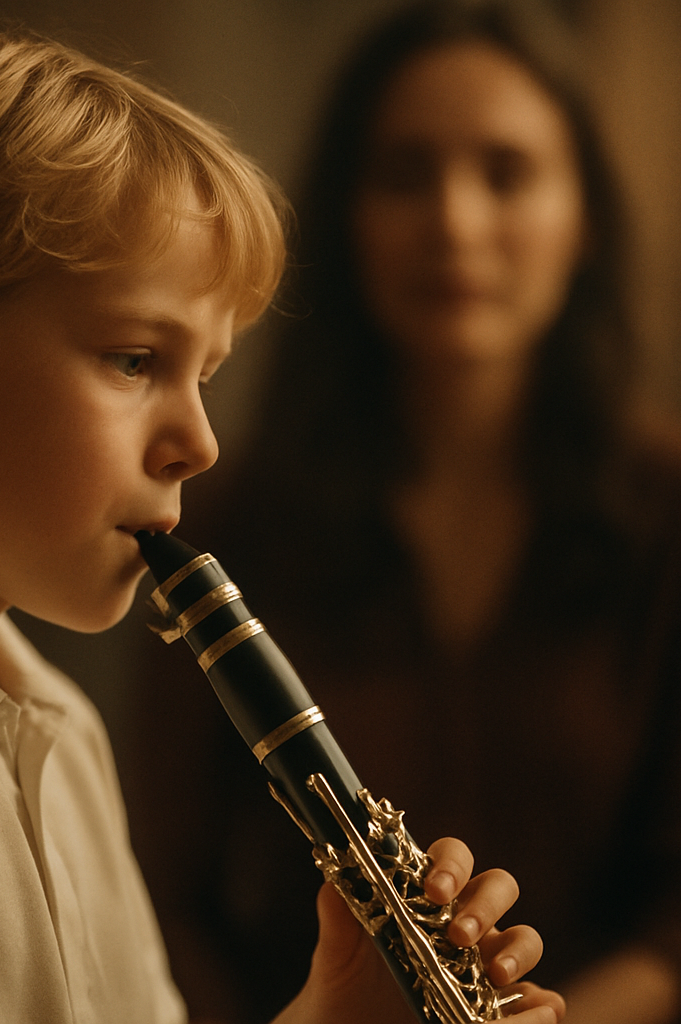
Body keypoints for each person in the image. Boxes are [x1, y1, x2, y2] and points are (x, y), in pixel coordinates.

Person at [0, 4, 566, 1023]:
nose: (201, 443)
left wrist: (334, 1012)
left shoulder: (58, 723)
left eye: (203, 376)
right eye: (135, 360)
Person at [125, 1, 681, 1023]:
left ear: (584, 219)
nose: (454, 223)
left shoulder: (668, 512)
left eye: (506, 173)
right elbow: (165, 887)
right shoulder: (230, 518)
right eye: (404, 175)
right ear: (347, 219)